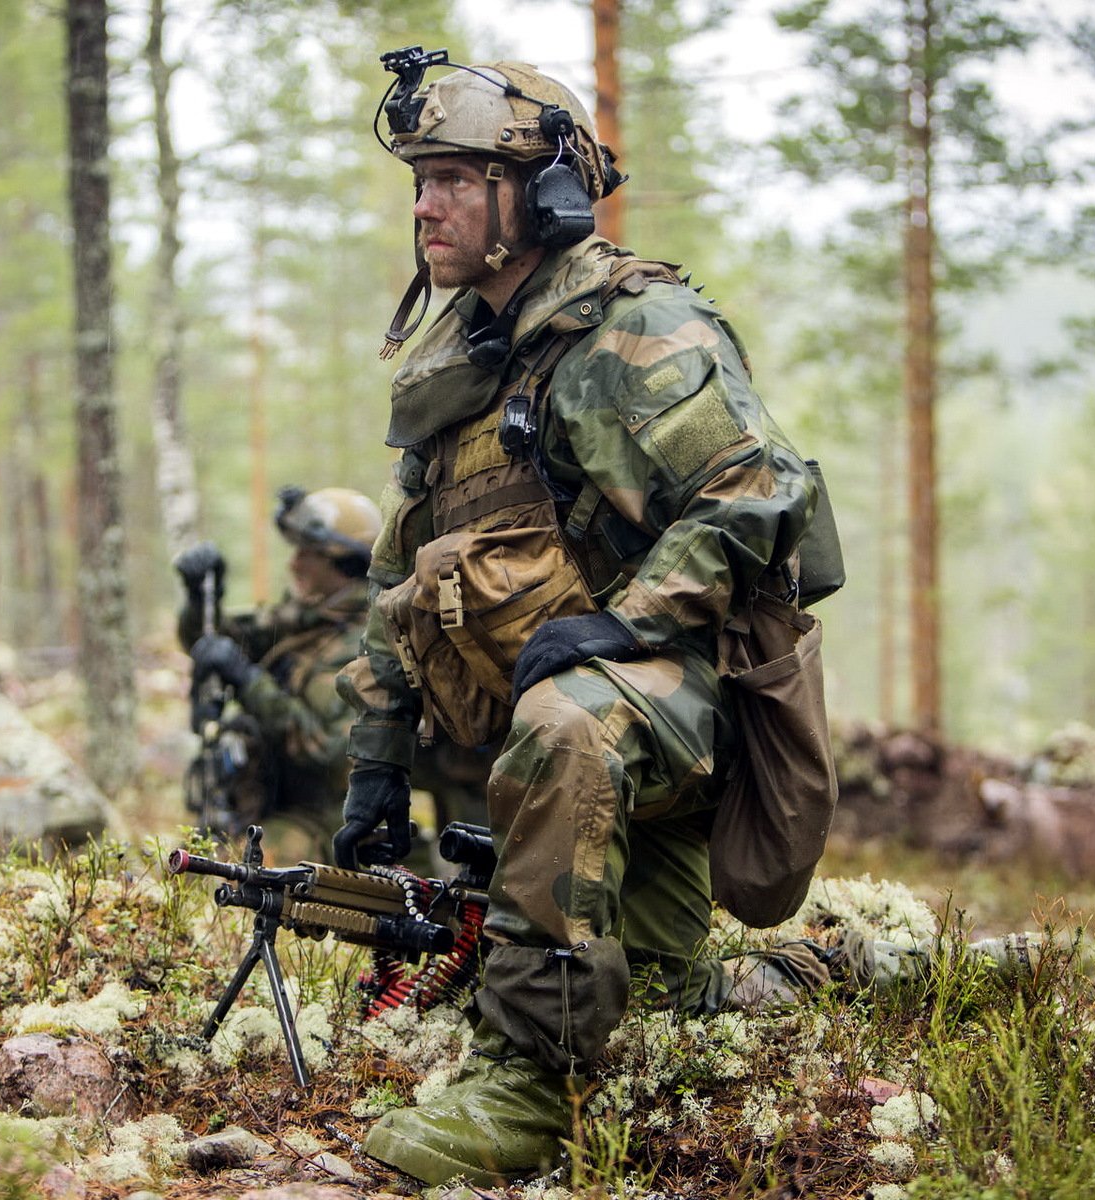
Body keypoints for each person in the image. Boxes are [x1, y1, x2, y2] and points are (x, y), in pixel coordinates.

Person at [332, 57, 823, 1185]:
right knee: (668, 1001)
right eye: (420, 181)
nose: (426, 206)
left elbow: (759, 492)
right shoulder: (461, 358)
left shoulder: (636, 329)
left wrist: (628, 621)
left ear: (542, 193)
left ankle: (530, 1080)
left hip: (689, 704)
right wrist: (376, 764)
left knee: (566, 721)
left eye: (456, 179)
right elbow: (399, 571)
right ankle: (851, 970)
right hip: (578, 717)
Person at [174, 487, 389, 863]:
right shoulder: (301, 621)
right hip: (270, 806)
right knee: (195, 863)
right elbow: (211, 642)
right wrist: (201, 600)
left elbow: (329, 749)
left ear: (342, 563)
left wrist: (249, 681)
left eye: (308, 554)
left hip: (333, 823)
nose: (294, 564)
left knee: (235, 868)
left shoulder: (367, 644)